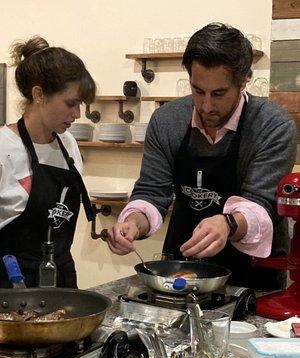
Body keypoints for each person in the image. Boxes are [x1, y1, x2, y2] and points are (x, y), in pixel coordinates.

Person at [106, 23, 297, 290]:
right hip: (182, 271)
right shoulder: (167, 121)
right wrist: (132, 224)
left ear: (243, 81)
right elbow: (152, 191)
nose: (207, 105)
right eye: (198, 91)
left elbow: (260, 204)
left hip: (253, 278)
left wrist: (227, 223)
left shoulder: (272, 126)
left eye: (218, 93)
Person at [0, 36, 95, 288]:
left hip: (62, 283)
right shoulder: (3, 148)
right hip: (11, 289)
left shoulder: (68, 144)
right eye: (71, 103)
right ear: (39, 94)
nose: (76, 114)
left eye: (80, 105)